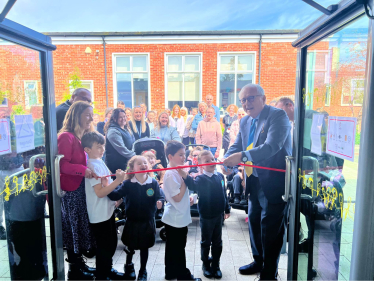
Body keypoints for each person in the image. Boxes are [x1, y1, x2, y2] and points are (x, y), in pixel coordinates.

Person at [222, 84, 291, 280]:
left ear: (263, 98)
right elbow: (236, 145)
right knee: (254, 223)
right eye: (243, 100)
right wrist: (227, 163)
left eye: (250, 98)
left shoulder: (278, 116)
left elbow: (272, 147)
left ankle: (269, 273)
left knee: (271, 230)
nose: (246, 103)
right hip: (253, 181)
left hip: (274, 183)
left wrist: (242, 157)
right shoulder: (244, 121)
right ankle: (258, 261)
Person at [57, 101, 97, 280]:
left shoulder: (81, 137)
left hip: (80, 188)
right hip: (70, 190)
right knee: (73, 229)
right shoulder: (66, 137)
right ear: (76, 115)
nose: (91, 118)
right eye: (87, 114)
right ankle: (74, 268)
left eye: (91, 114)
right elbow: (62, 164)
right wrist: (83, 170)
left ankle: (79, 264)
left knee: (79, 227)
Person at [107, 156, 164, 281]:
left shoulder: (153, 182)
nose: (143, 164)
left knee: (145, 247)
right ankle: (129, 266)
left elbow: (160, 196)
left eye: (145, 162)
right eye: (140, 163)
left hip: (147, 221)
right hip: (132, 221)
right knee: (130, 246)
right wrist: (107, 186)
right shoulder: (128, 184)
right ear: (132, 168)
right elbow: (115, 194)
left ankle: (143, 270)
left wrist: (160, 201)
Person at [177, 150, 230, 279]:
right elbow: (192, 186)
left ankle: (216, 265)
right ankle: (206, 264)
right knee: (206, 241)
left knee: (217, 241)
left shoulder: (220, 176)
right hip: (206, 216)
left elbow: (224, 194)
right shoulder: (200, 179)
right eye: (207, 161)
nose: (211, 162)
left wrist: (227, 209)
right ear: (201, 165)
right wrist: (185, 175)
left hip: (218, 215)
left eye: (212, 159)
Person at [81, 131, 126, 280]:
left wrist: (115, 199)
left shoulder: (99, 162)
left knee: (111, 243)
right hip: (99, 215)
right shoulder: (91, 167)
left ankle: (107, 270)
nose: (102, 149)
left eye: (103, 146)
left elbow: (106, 188)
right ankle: (102, 275)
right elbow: (100, 192)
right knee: (105, 247)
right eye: (99, 147)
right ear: (87, 150)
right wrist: (118, 180)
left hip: (107, 211)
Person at [161, 141, 201, 281]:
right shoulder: (171, 174)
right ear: (170, 156)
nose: (184, 157)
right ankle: (183, 276)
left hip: (178, 215)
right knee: (178, 248)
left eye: (184, 154)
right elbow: (177, 197)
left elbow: (180, 194)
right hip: (175, 217)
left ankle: (170, 272)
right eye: (180, 155)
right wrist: (185, 179)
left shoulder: (176, 171)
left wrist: (188, 197)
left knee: (172, 247)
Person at [104, 108, 136, 173]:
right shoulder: (113, 131)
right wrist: (136, 155)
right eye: (120, 117)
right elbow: (122, 149)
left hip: (127, 163)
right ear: (114, 118)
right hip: (116, 166)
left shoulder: (127, 128)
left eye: (124, 116)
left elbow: (134, 144)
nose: (123, 119)